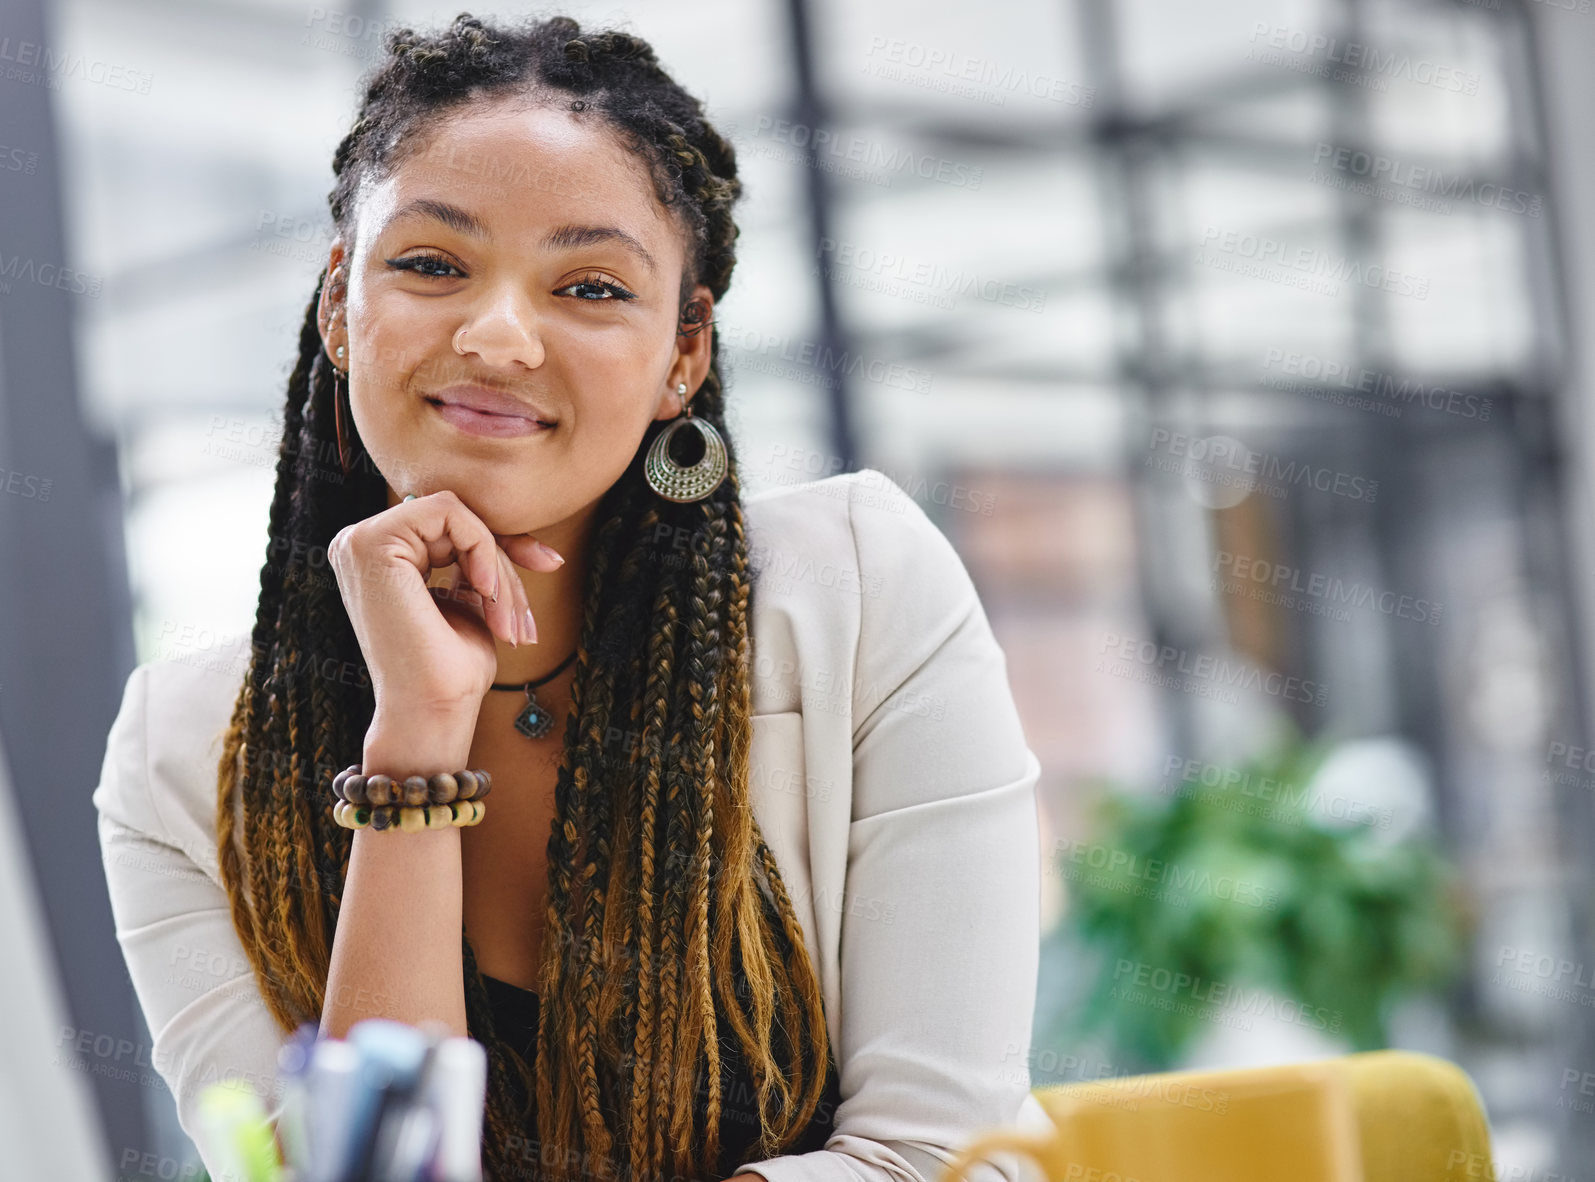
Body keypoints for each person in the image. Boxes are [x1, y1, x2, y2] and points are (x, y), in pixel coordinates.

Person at [92, 13, 1051, 1182]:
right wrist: (411, 752)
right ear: (341, 305)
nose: (497, 336)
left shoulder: (858, 591)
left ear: (681, 353)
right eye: (433, 264)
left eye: (590, 286)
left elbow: (943, 1158)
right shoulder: (180, 759)